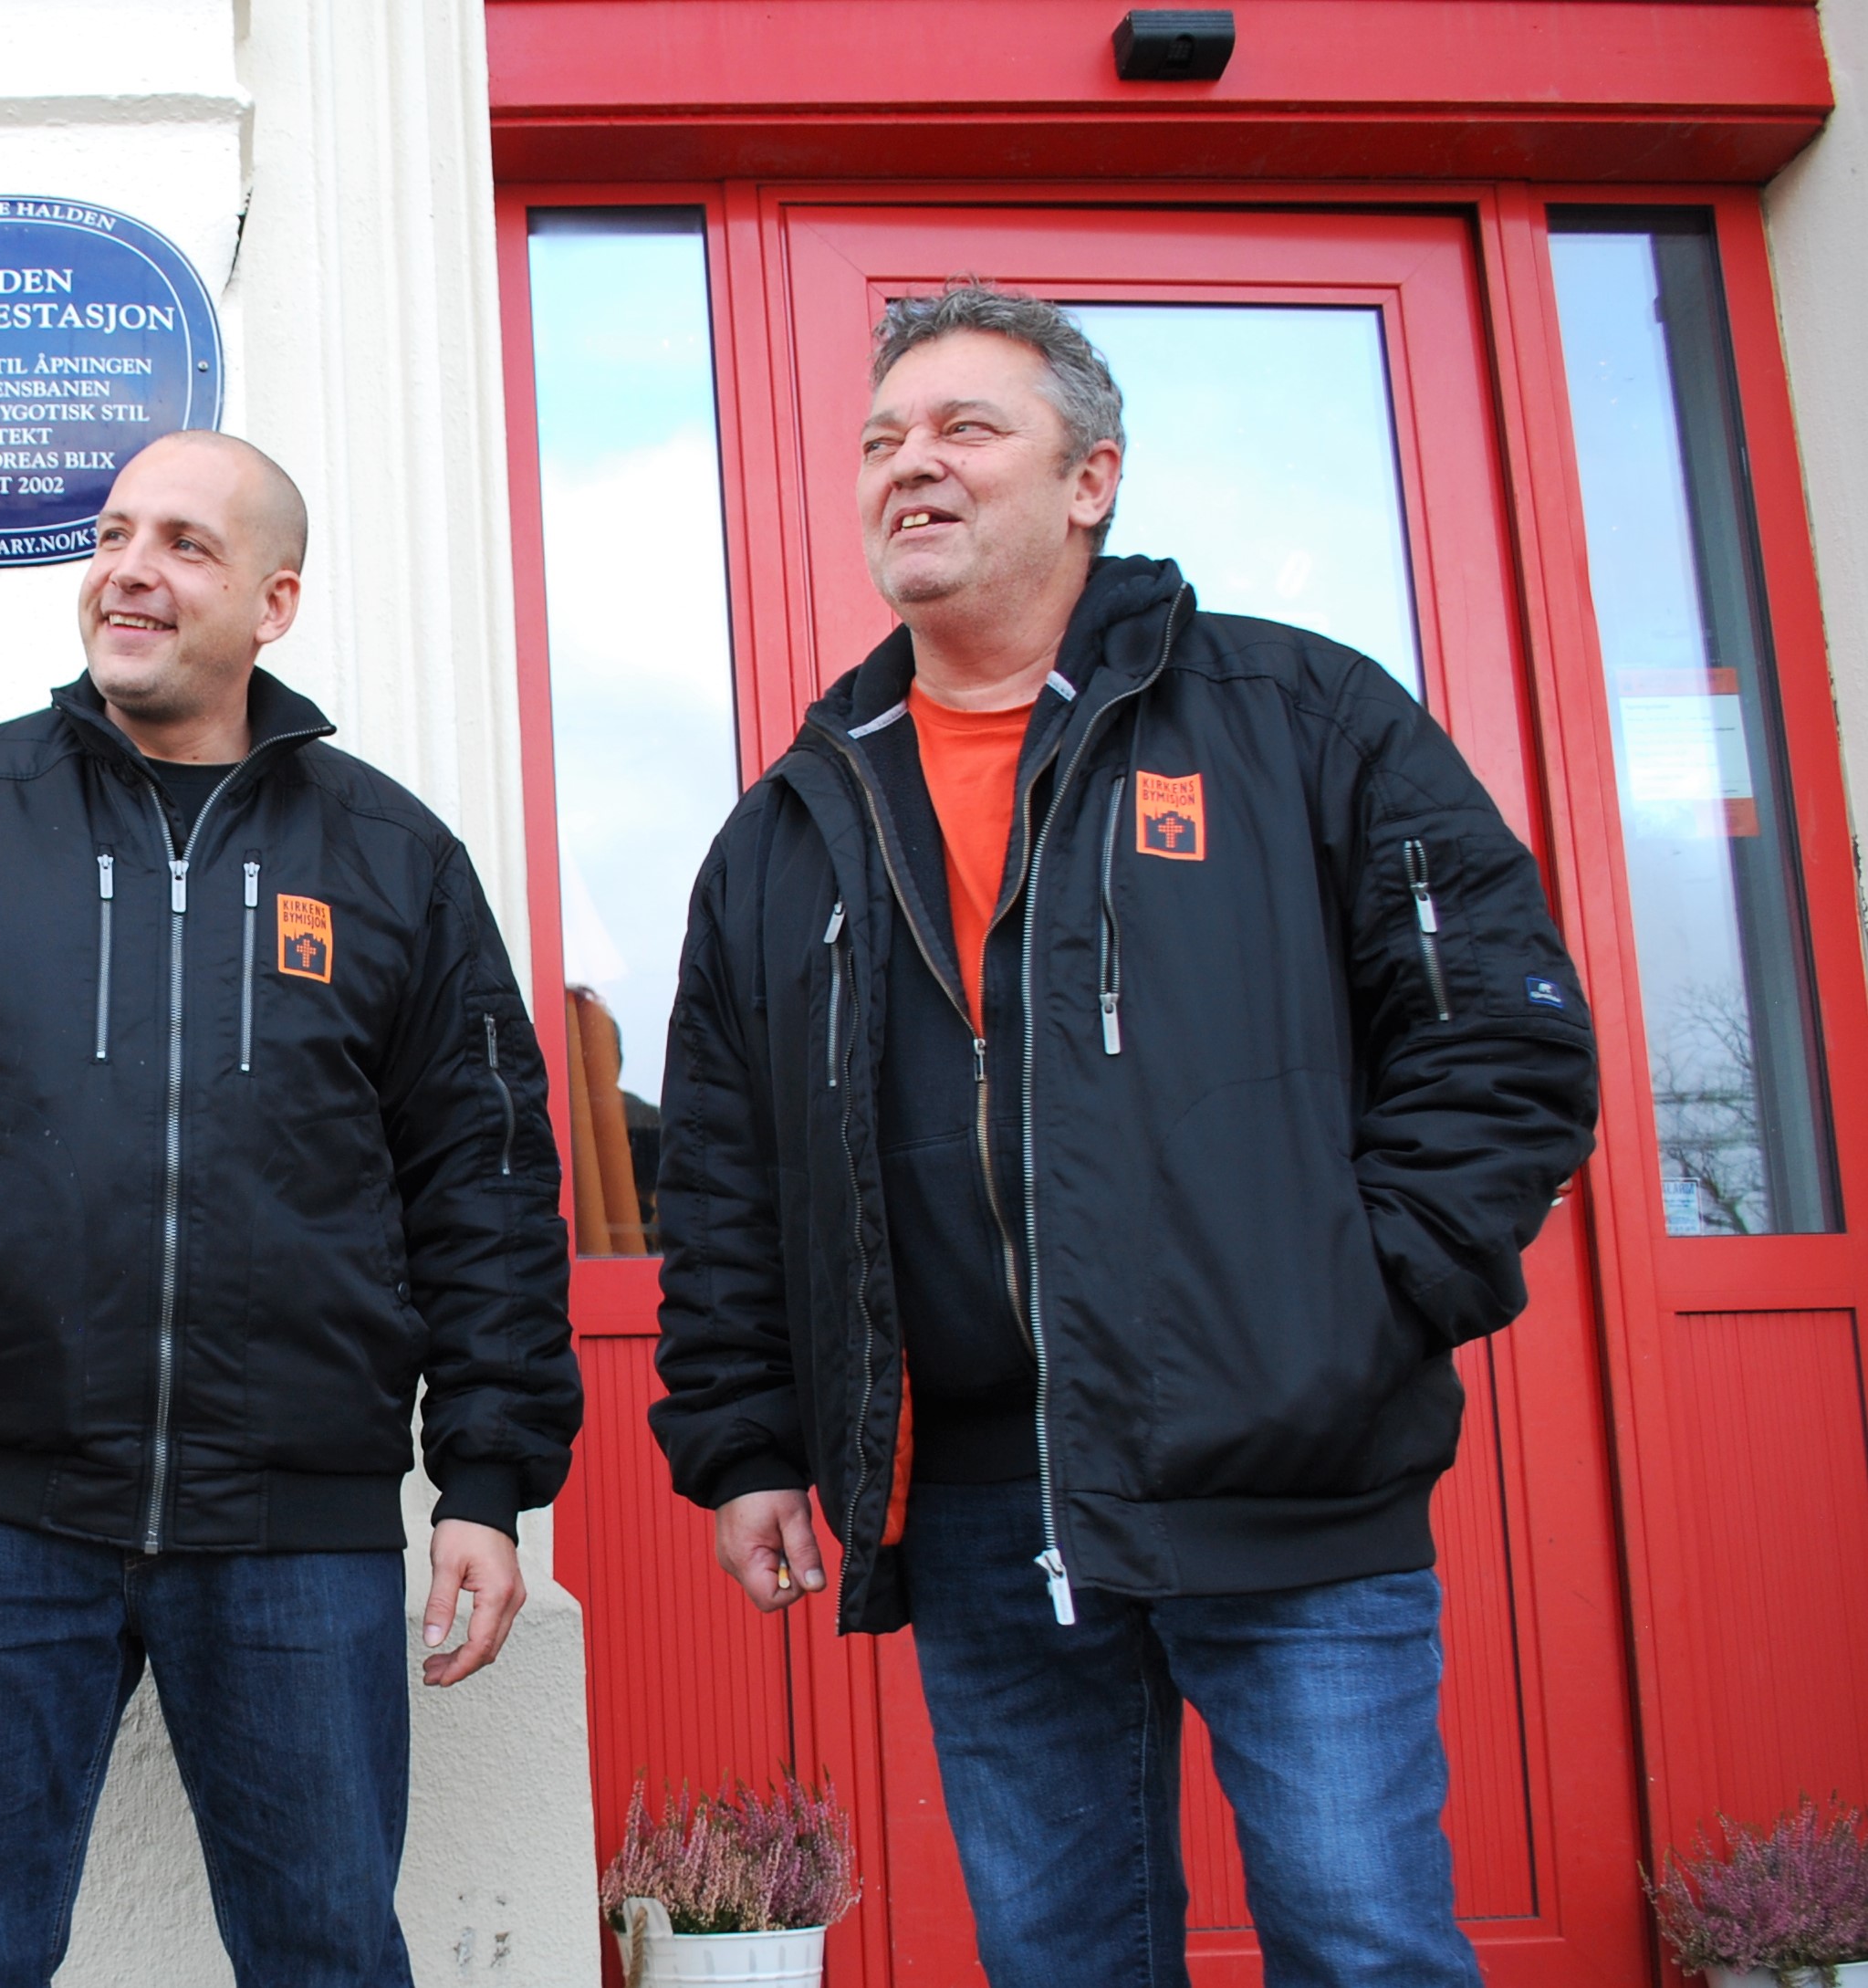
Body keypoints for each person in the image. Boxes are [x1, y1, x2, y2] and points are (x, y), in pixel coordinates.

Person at [648, 283, 1596, 1986]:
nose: (907, 466)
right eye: (880, 439)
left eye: (963, 429)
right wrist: (744, 1438)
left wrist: (1358, 1310)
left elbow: (1503, 1041)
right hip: (981, 1499)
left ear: (1092, 478)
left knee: (1362, 1938)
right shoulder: (793, 822)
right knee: (1064, 1959)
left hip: (1286, 1468)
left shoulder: (1303, 718)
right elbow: (721, 1177)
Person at [0, 429, 580, 1988]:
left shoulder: (391, 861)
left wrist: (488, 1481)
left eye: (184, 540)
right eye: (112, 532)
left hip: (292, 1523)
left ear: (274, 599)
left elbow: (486, 1187)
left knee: (326, 1953)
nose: (131, 567)